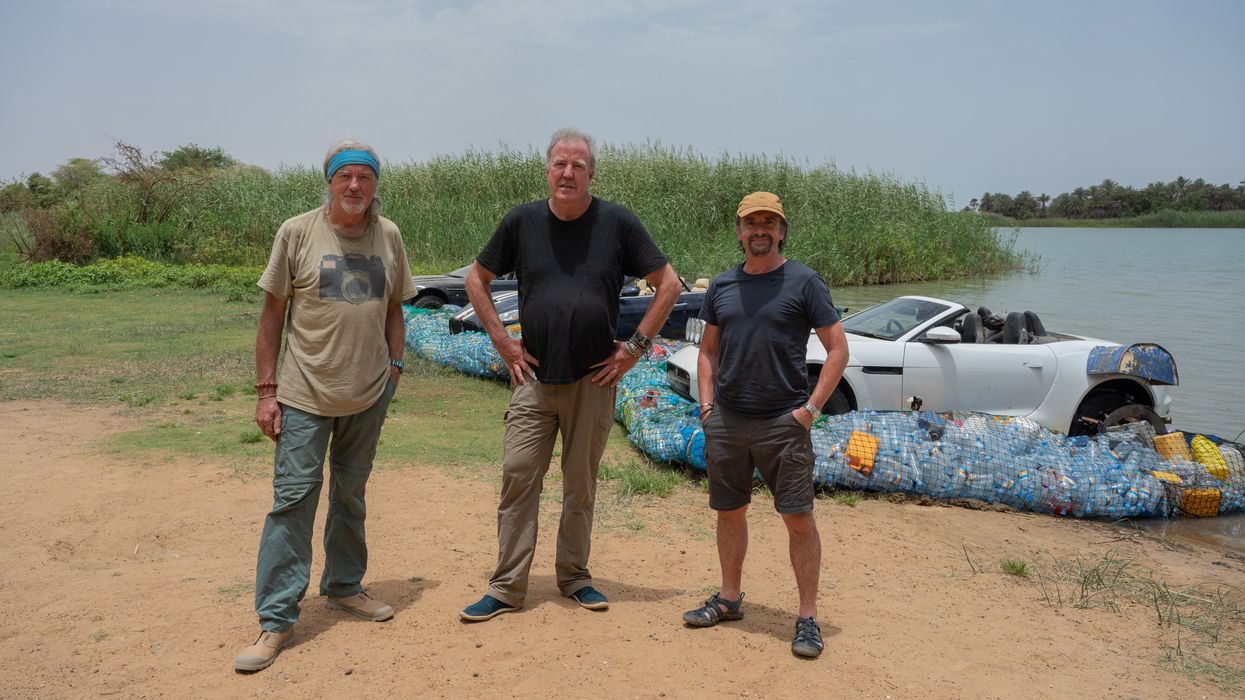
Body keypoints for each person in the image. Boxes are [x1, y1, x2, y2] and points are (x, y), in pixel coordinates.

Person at [460, 128, 681, 621]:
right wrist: (501, 339)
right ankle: (507, 586)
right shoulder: (522, 222)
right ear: (548, 170)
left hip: (593, 380)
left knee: (579, 484)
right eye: (560, 164)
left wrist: (635, 349)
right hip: (533, 378)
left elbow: (669, 284)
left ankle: (575, 577)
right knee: (519, 476)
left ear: (591, 174)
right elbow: (477, 279)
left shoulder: (617, 223)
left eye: (578, 166)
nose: (568, 173)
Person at [234, 139, 416, 672]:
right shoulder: (297, 232)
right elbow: (271, 317)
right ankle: (275, 619)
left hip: (367, 394)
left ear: (375, 184)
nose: (355, 186)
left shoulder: (389, 236)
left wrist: (396, 369)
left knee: (351, 493)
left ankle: (343, 586)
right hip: (304, 394)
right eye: (345, 177)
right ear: (330, 182)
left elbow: (394, 310)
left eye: (364, 177)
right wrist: (267, 392)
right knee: (293, 501)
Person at [680, 191, 848, 659]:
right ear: (738, 231)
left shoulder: (804, 282)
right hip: (729, 421)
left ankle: (808, 617)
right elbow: (708, 351)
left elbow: (838, 350)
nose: (760, 230)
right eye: (751, 222)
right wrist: (708, 408)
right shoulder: (721, 286)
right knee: (729, 512)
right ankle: (730, 598)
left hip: (784, 422)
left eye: (768, 223)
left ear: (782, 231)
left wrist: (809, 411)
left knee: (797, 517)